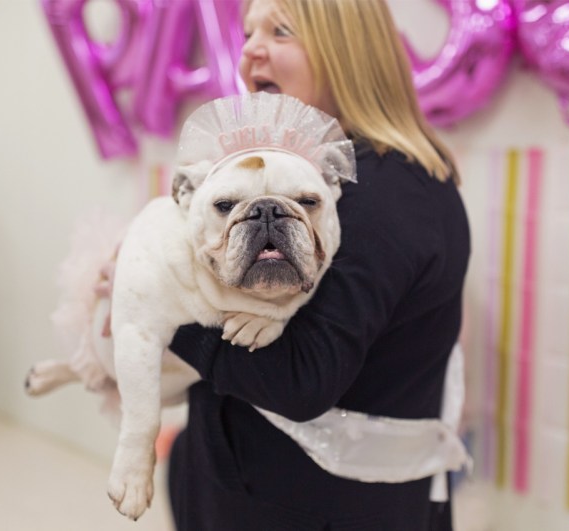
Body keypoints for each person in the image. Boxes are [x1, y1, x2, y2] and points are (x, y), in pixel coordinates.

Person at [166, 0, 471, 529]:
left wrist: (163, 307)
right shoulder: (359, 174)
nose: (250, 51)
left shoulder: (383, 193)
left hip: (308, 504)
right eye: (247, 32)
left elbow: (302, 379)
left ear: (349, 52)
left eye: (281, 32)